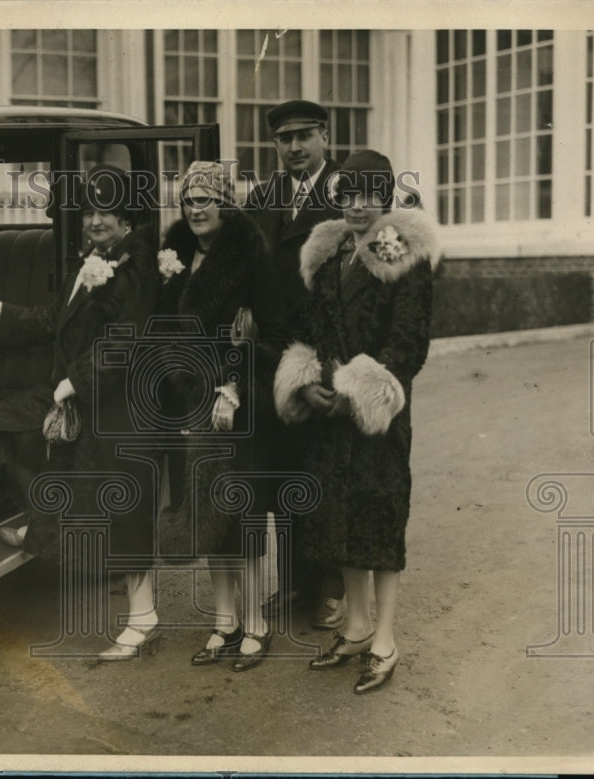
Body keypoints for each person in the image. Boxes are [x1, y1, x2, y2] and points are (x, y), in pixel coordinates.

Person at [0, 165, 163, 661]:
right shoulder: (90, 262)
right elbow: (54, 318)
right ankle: (44, 519)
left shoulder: (138, 269)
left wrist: (76, 383)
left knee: (123, 507)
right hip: (85, 398)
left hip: (121, 407)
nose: (94, 221)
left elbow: (124, 343)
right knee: (11, 426)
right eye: (89, 212)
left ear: (127, 221)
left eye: (106, 213)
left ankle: (144, 617)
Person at [273, 149, 439, 693]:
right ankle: (356, 626)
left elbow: (409, 343)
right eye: (346, 194)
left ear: (386, 196)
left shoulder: (402, 252)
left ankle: (386, 640)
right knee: (339, 520)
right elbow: (318, 327)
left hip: (376, 418)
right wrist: (313, 382)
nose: (357, 206)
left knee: (380, 520)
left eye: (368, 194)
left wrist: (357, 392)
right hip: (331, 416)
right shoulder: (330, 252)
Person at [158, 160, 289, 672]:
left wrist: (236, 384)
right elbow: (162, 324)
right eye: (189, 200)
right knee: (203, 512)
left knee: (243, 513)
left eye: (206, 199)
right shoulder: (176, 254)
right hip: (186, 399)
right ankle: (225, 621)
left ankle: (256, 624)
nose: (196, 209)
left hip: (235, 405)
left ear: (226, 203)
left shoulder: (251, 254)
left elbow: (275, 334)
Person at [244, 99, 348, 630]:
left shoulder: (346, 193)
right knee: (285, 472)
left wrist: (324, 369)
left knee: (323, 474)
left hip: (330, 354)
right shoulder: (265, 198)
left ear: (325, 136)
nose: (294, 148)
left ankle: (329, 588)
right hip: (276, 355)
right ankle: (294, 585)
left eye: (304, 136)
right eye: (285, 139)